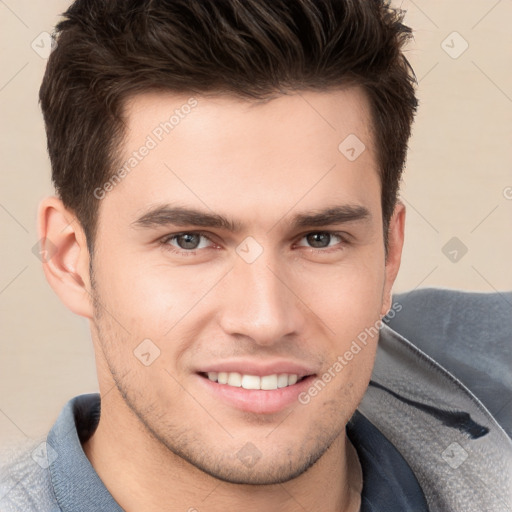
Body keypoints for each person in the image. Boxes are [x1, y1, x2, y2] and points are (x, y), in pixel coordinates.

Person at [1, 0, 511, 511]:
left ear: (388, 254)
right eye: (190, 240)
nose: (266, 320)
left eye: (319, 239)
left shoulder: (489, 388)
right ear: (70, 259)